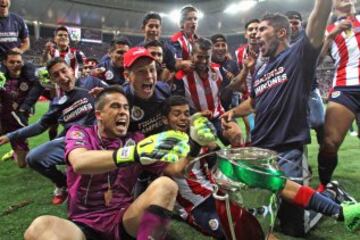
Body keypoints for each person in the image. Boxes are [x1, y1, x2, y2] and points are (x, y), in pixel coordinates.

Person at [221, 0, 334, 236]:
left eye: (262, 30)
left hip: (288, 149)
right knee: (258, 217)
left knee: (294, 228)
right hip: (261, 151)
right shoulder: (261, 70)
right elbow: (253, 102)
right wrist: (233, 111)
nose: (256, 35)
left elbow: (316, 21)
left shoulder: (299, 55)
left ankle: (330, 195)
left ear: (282, 32)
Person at [23, 86, 193, 240]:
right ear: (99, 115)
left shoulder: (137, 140)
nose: (123, 112)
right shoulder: (81, 133)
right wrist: (133, 154)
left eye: (126, 108)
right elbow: (79, 162)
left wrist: (196, 145)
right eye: (115, 106)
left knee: (166, 185)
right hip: (83, 225)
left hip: (123, 220)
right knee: (39, 228)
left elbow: (176, 170)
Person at [0, 58, 107, 205]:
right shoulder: (57, 102)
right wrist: (10, 136)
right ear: (52, 79)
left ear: (71, 69)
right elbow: (40, 126)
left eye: (64, 71)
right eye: (56, 75)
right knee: (33, 158)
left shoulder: (92, 82)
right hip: (74, 142)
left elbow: (120, 94)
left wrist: (107, 93)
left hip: (101, 137)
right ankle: (63, 183)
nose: (62, 77)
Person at [317, 0, 360, 193]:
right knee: (329, 142)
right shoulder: (328, 29)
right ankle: (325, 184)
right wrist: (332, 35)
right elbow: (316, 60)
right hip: (345, 86)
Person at [286, 10, 325, 146]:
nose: (292, 26)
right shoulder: (281, 40)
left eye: (295, 23)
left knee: (320, 122)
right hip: (290, 91)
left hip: (310, 88)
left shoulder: (308, 37)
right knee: (297, 130)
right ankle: (303, 162)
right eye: (289, 23)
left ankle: (324, 153)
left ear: (301, 24)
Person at [173, 38, 226, 139]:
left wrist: (245, 70)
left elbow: (227, 91)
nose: (204, 61)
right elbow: (179, 104)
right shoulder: (181, 76)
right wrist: (197, 114)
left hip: (218, 116)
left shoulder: (218, 69)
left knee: (235, 134)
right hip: (195, 119)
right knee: (208, 141)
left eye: (207, 57)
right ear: (191, 56)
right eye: (199, 57)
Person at [0, 51, 41, 167]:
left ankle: (16, 152)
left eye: (18, 62)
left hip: (17, 122)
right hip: (2, 118)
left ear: (22, 62)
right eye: (11, 62)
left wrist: (26, 107)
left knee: (22, 164)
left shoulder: (30, 79)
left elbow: (41, 89)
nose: (15, 64)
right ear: (5, 63)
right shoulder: (1, 78)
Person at [138, 12, 176, 81]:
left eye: (157, 26)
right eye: (151, 26)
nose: (154, 30)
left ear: (160, 29)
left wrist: (162, 83)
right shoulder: (137, 50)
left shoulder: (168, 49)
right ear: (143, 28)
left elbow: (172, 70)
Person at [170, 5, 200, 72]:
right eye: (189, 19)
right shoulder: (176, 40)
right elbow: (175, 64)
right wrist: (185, 63)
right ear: (182, 22)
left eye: (195, 19)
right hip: (180, 77)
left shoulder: (198, 40)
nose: (193, 22)